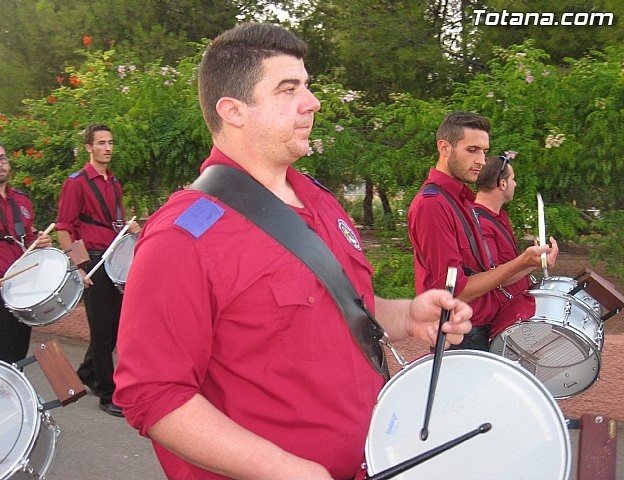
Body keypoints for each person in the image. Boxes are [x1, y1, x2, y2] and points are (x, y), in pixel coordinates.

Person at [114, 22, 472, 480]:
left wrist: (406, 315)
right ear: (234, 111)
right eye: (288, 89)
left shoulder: (318, 199)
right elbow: (153, 394)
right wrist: (285, 470)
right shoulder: (183, 237)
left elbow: (332, 309)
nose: (312, 102)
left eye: (307, 85)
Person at [407, 111, 556, 351]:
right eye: (472, 150)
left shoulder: (462, 200)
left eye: (484, 152)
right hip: (461, 337)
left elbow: (487, 278)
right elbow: (454, 291)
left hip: (481, 329)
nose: (482, 161)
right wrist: (522, 261)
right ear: (445, 148)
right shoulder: (432, 204)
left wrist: (532, 262)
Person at [55, 123, 140, 417]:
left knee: (113, 327)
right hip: (92, 261)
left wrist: (128, 226)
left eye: (110, 142)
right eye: (101, 143)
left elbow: (110, 223)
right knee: (103, 331)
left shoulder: (113, 183)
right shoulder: (76, 182)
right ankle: (107, 393)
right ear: (89, 148)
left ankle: (88, 372)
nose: (107, 148)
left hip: (112, 258)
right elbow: (64, 228)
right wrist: (79, 265)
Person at [0, 137, 53, 363]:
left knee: (17, 353)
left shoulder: (21, 200)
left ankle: (12, 395)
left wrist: (40, 242)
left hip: (21, 289)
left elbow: (28, 238)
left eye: (2, 158)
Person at [473, 154, 558, 337]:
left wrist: (536, 262)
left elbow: (509, 271)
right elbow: (495, 279)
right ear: (502, 184)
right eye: (513, 179)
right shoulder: (480, 223)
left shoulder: (497, 217)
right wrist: (528, 260)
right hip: (497, 323)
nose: (515, 184)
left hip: (514, 315)